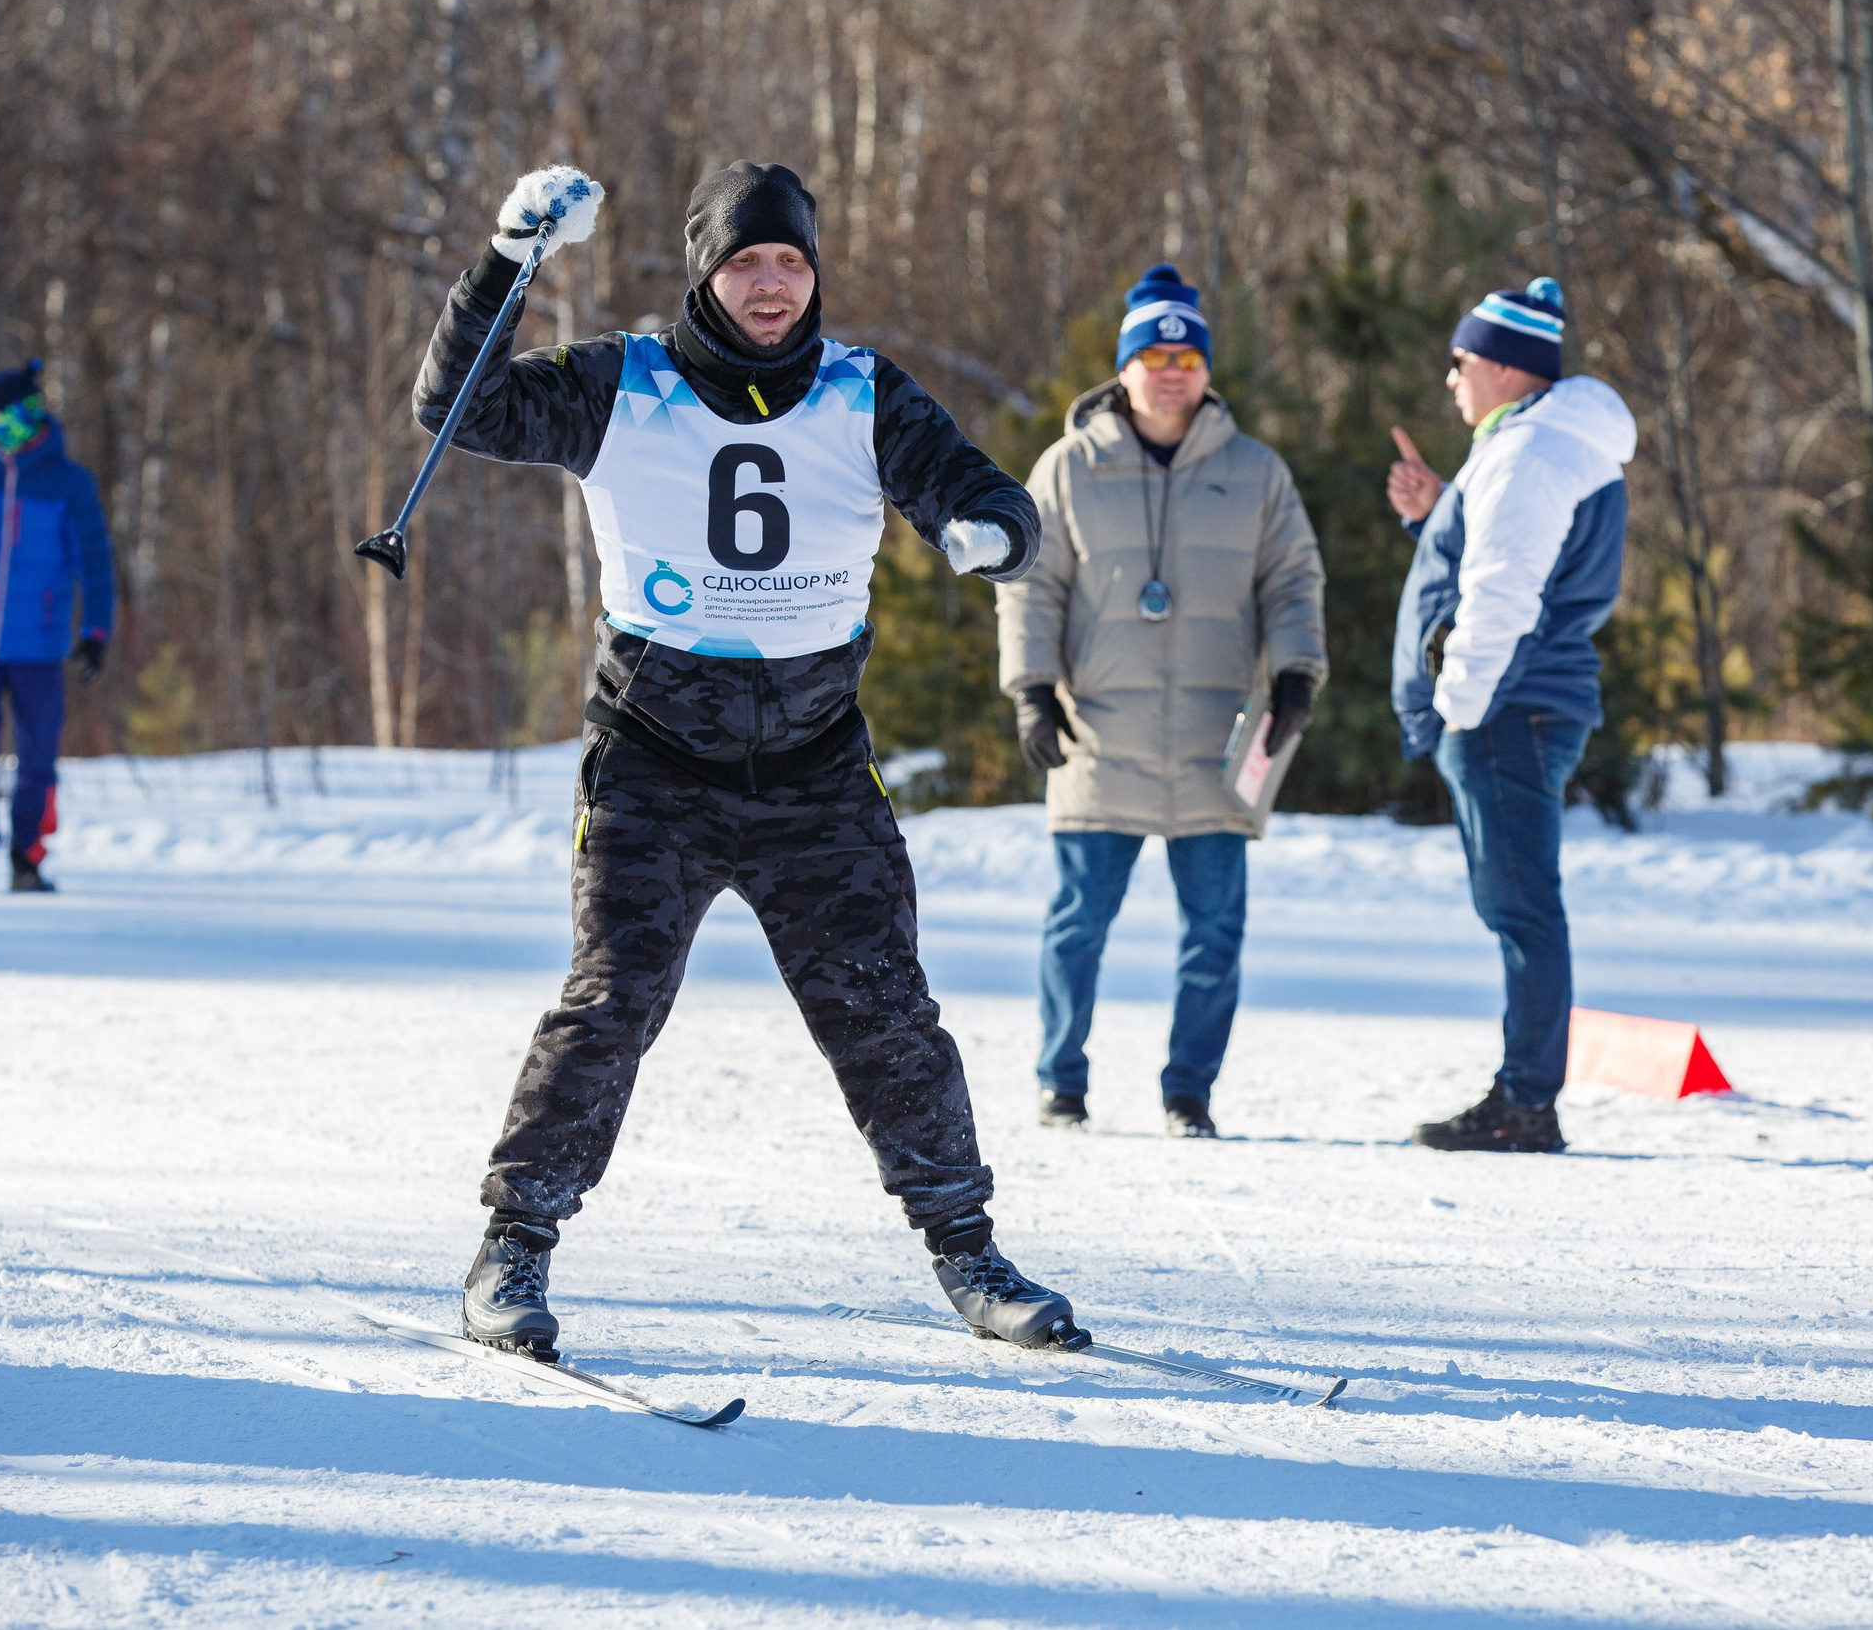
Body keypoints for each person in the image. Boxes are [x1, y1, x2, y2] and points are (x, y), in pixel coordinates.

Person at [416, 159, 1082, 1360]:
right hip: (652, 768)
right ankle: (512, 1248)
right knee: (611, 1003)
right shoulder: (626, 381)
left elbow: (973, 487)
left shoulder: (862, 391)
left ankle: (968, 1252)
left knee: (886, 1014)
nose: (770, 284)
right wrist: (508, 261)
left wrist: (993, 531)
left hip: (817, 768)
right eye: (745, 261)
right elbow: (457, 411)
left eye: (790, 261)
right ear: (705, 274)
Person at [996, 265, 1327, 1141]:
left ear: (1206, 369)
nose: (1172, 368)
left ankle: (1190, 1090)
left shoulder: (1257, 472)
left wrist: (1297, 672)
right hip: (1099, 733)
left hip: (1222, 740)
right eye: (1155, 352)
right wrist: (1031, 689)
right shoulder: (1068, 468)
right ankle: (1060, 1083)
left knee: (1215, 932)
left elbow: (1294, 580)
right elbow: (1030, 585)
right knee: (1077, 925)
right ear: (1126, 367)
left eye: (1188, 354)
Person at [1387, 279, 1635, 1153]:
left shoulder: (1528, 456)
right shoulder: (1539, 446)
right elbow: (1500, 565)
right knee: (1522, 908)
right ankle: (1523, 1092)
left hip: (1505, 711)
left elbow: (1501, 598)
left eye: (1458, 362)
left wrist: (1454, 707)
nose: (1449, 380)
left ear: (1497, 363)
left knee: (1524, 910)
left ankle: (1526, 1101)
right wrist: (1435, 516)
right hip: (1522, 705)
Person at [0, 360, 115, 894]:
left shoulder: (70, 484)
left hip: (38, 644)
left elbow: (96, 565)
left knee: (37, 756)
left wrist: (95, 633)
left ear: (14, 414)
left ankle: (27, 858)